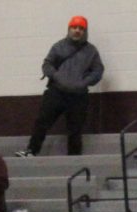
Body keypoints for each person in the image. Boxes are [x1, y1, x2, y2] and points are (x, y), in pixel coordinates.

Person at [16, 15, 104, 157]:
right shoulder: (58, 46)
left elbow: (98, 71)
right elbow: (47, 64)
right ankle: (31, 151)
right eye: (74, 27)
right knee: (42, 122)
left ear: (85, 31)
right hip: (56, 92)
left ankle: (74, 159)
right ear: (69, 29)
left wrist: (84, 82)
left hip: (79, 95)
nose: (77, 31)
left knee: (75, 129)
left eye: (81, 28)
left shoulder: (91, 51)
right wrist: (57, 77)